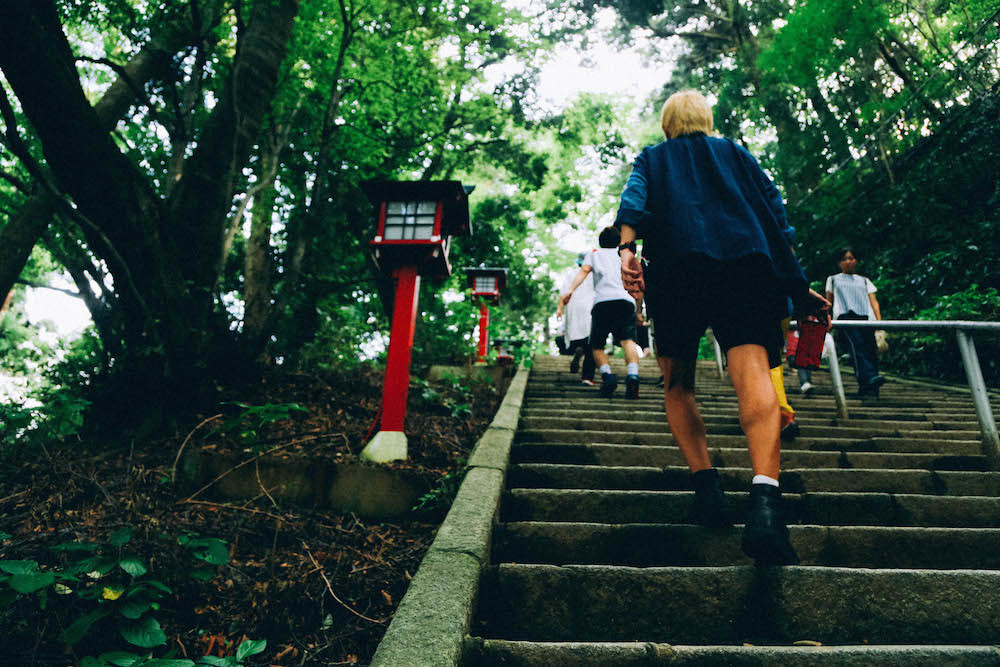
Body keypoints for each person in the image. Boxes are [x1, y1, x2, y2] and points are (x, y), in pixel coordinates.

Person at [615, 89, 829, 565]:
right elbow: (776, 215)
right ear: (707, 120)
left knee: (678, 382)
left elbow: (634, 205)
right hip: (746, 266)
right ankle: (767, 502)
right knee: (753, 372)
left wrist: (627, 253)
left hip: (676, 268)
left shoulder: (653, 158)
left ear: (668, 123)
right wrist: (797, 284)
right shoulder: (735, 152)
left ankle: (707, 486)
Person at [562, 226, 643, 399]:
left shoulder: (593, 254)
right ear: (618, 241)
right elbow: (636, 282)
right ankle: (633, 375)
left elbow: (584, 271)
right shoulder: (625, 255)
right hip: (626, 301)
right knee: (628, 341)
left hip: (603, 302)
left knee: (597, 346)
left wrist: (571, 290)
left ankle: (607, 376)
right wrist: (638, 309)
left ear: (600, 241)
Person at [825, 248, 884, 397]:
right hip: (845, 317)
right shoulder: (833, 279)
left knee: (870, 348)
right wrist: (827, 319)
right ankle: (869, 377)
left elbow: (873, 301)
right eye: (844, 259)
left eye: (851, 258)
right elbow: (828, 302)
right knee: (857, 346)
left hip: (865, 318)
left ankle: (870, 387)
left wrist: (879, 323)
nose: (848, 261)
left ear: (856, 261)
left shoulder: (864, 280)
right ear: (839, 263)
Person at [557, 253, 596, 385]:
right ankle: (587, 376)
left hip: (574, 309)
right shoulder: (595, 275)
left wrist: (559, 309)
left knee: (577, 336)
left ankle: (578, 351)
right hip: (591, 309)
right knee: (592, 342)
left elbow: (563, 293)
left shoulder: (571, 274)